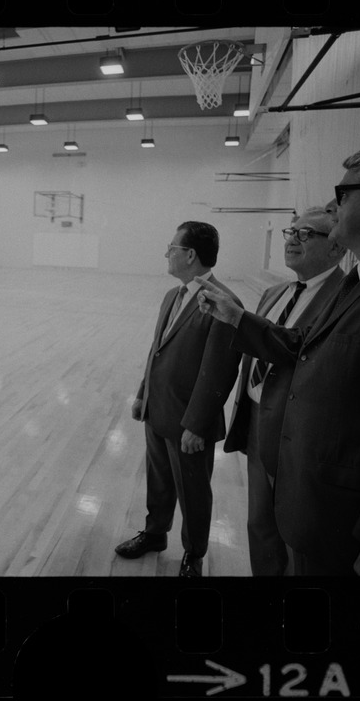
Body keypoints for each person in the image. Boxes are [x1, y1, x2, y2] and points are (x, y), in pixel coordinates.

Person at [194, 139, 360, 576]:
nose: (334, 206)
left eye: (343, 195)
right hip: (310, 488)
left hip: (345, 517)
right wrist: (238, 318)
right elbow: (301, 345)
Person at [115, 221, 243, 577]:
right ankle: (155, 533)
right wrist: (143, 394)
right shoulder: (172, 295)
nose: (167, 254)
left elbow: (220, 372)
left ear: (189, 254)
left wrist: (197, 425)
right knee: (158, 480)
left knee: (193, 491)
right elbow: (157, 351)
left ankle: (194, 553)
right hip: (158, 410)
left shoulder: (224, 302)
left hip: (190, 422)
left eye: (171, 248)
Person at [223, 207, 346, 576]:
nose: (292, 239)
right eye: (290, 232)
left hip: (298, 434)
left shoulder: (346, 295)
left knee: (296, 539)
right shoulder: (275, 292)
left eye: (306, 234)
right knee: (259, 526)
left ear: (337, 248)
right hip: (259, 424)